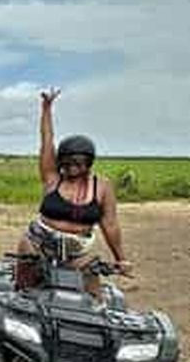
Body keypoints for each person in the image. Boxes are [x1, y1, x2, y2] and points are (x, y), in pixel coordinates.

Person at [15, 88, 131, 295]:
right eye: (66, 164)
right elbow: (47, 140)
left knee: (94, 298)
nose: (71, 169)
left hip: (78, 252)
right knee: (25, 293)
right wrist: (46, 109)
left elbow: (110, 224)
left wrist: (121, 259)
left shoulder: (102, 187)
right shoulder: (52, 178)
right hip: (37, 244)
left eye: (77, 164)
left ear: (88, 162)